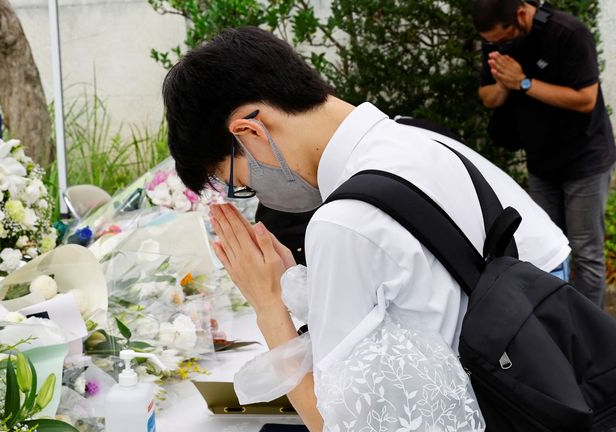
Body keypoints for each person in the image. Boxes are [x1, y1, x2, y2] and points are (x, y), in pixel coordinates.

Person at [162, 27, 570, 431]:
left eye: (241, 182)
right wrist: (300, 291)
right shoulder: (414, 143)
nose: (258, 196)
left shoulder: (344, 222)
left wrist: (268, 303)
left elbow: (334, 424)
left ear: (251, 132)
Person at [474, 0, 615, 307]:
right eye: (491, 43)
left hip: (585, 159)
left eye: (503, 39)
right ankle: (558, 326)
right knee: (547, 247)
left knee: (585, 252)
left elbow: (585, 99)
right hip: (541, 163)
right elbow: (488, 96)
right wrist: (506, 84)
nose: (497, 47)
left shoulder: (568, 33)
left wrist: (523, 82)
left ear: (522, 14)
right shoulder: (498, 41)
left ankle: (594, 335)